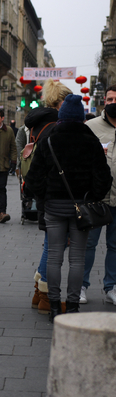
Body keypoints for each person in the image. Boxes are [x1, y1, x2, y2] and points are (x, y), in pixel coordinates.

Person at [25, 94, 111, 321]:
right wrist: (91, 197)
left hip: (54, 207)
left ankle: (54, 306)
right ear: (82, 116)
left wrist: (46, 198)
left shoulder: (49, 139)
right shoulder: (90, 140)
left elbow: (33, 179)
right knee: (77, 259)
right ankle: (72, 306)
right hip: (81, 208)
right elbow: (104, 177)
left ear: (61, 116)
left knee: (54, 257)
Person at [24, 79, 71, 314]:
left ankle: (37, 291)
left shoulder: (38, 123)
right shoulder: (55, 126)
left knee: (51, 243)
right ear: (59, 102)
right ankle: (44, 295)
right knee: (56, 245)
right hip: (54, 192)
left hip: (44, 191)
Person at [81, 84, 116, 305]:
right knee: (88, 244)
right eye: (110, 99)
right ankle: (81, 286)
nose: (113, 103)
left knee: (115, 245)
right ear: (104, 101)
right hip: (95, 198)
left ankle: (111, 286)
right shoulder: (91, 126)